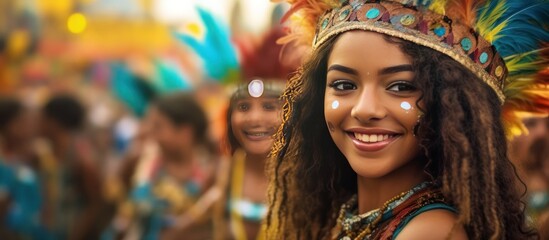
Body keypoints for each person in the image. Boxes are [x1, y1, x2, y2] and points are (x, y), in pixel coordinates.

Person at [265, 0, 548, 239]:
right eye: (343, 85)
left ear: (451, 106)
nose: (364, 110)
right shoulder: (351, 214)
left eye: (400, 86)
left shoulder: (429, 232)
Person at [213, 28, 293, 240]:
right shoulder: (225, 170)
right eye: (244, 107)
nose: (255, 118)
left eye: (269, 107)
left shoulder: (312, 176)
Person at [105, 92, 218, 240]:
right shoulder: (139, 160)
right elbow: (113, 207)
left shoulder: (211, 174)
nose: (148, 131)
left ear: (185, 133)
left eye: (157, 126)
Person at [37, 93, 104, 240]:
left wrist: (76, 235)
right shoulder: (46, 153)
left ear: (54, 122)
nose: (38, 124)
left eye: (42, 119)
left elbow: (95, 204)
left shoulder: (82, 158)